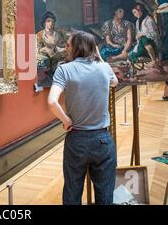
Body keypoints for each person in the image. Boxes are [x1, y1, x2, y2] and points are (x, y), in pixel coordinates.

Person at [48, 31, 119, 205]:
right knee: (105, 195)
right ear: (93, 48)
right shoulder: (104, 68)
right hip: (103, 139)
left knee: (72, 193)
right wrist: (100, 57)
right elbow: (115, 82)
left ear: (78, 47)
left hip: (77, 139)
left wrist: (66, 120)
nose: (66, 48)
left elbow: (51, 102)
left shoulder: (64, 69)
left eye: (68, 45)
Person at [128, 4, 161, 69]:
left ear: (140, 10)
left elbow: (154, 34)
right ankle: (152, 60)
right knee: (131, 56)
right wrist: (137, 36)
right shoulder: (137, 22)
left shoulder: (149, 19)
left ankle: (154, 60)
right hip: (142, 45)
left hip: (152, 43)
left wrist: (142, 34)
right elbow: (138, 34)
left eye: (135, 12)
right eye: (133, 13)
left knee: (144, 39)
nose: (134, 14)